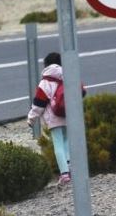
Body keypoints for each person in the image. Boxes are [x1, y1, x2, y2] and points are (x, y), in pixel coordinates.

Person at [27, 52, 74, 185]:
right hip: (67, 114)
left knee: (58, 144)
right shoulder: (68, 76)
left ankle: (64, 174)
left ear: (46, 65)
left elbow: (39, 104)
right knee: (66, 141)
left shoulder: (45, 82)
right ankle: (70, 168)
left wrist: (31, 118)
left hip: (53, 117)